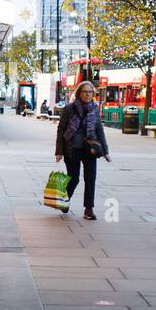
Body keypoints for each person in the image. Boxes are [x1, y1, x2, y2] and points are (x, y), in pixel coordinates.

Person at [55, 80, 110, 220]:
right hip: (71, 148)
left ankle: (89, 209)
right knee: (73, 179)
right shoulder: (69, 108)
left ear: (93, 94)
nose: (87, 94)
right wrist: (59, 152)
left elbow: (99, 130)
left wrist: (105, 151)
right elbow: (61, 130)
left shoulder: (94, 109)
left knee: (90, 178)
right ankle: (64, 200)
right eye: (85, 91)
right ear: (79, 93)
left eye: (90, 92)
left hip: (90, 149)